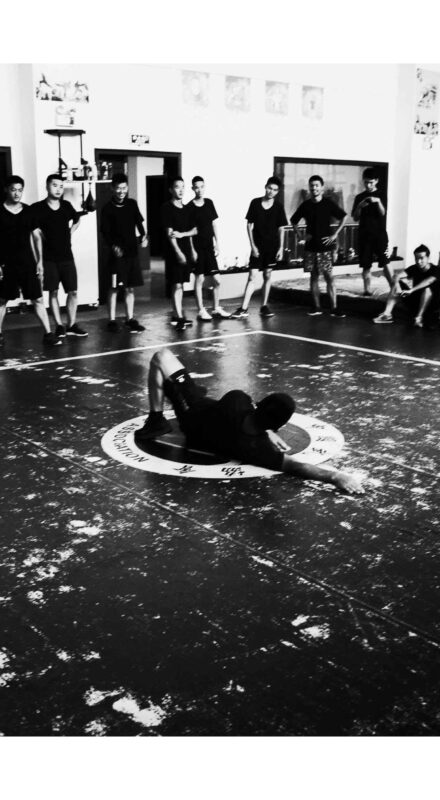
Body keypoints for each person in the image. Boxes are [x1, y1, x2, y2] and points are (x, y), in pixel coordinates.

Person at [134, 348, 365, 494]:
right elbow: (297, 467)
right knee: (171, 381)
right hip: (200, 432)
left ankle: (156, 420)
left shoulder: (238, 400)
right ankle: (167, 406)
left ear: (259, 405)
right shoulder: (257, 449)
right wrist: (335, 476)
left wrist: (268, 429)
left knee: (161, 357)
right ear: (276, 426)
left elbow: (250, 410)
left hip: (192, 412)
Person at [0, 175, 61, 347]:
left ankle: (48, 334)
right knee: (2, 300)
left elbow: (36, 237)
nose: (17, 193)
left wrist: (39, 261)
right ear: (6, 190)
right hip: (6, 263)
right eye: (13, 190)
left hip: (27, 262)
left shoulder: (28, 211)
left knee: (38, 299)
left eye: (20, 190)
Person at [31, 174, 87, 338]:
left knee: (73, 292)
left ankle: (72, 324)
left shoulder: (66, 206)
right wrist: (39, 260)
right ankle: (59, 325)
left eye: (61, 186)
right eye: (55, 185)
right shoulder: (37, 208)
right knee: (53, 292)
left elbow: (77, 219)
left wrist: (70, 231)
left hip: (67, 256)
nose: (58, 189)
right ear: (47, 186)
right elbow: (34, 232)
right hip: (49, 258)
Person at [231, 176, 287, 319]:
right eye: (269, 188)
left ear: (277, 192)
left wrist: (281, 248)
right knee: (252, 276)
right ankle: (243, 308)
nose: (271, 191)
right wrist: (253, 246)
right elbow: (249, 226)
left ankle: (264, 306)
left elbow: (281, 228)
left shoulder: (279, 207)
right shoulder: (255, 203)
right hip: (257, 247)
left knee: (267, 275)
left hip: (272, 247)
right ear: (265, 187)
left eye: (275, 190)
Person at [290, 175, 346, 317]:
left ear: (322, 187)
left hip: (326, 247)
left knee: (329, 277)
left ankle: (334, 308)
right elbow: (293, 220)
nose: (314, 188)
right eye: (312, 185)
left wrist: (335, 235)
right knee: (313, 277)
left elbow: (344, 217)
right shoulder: (306, 205)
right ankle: (316, 307)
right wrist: (300, 235)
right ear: (309, 188)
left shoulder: (328, 203)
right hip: (311, 247)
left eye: (316, 185)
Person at [100, 173, 147, 333]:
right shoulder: (107, 208)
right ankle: (112, 320)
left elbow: (139, 223)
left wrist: (144, 236)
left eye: (124, 188)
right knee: (113, 288)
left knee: (130, 288)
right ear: (113, 188)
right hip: (116, 255)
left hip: (132, 253)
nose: (121, 191)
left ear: (127, 188)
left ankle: (130, 319)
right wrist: (113, 246)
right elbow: (105, 232)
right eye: (118, 188)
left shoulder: (132, 204)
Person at [188, 176, 230, 321]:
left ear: (204, 187)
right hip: (198, 248)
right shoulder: (190, 207)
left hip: (209, 247)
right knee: (199, 279)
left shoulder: (209, 203)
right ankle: (201, 310)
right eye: (196, 187)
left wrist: (217, 243)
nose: (199, 190)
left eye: (202, 186)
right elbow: (189, 231)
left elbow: (213, 224)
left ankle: (216, 308)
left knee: (217, 280)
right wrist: (192, 250)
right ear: (193, 188)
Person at [161, 177, 197, 331]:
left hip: (186, 249)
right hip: (174, 251)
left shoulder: (187, 209)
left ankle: (177, 314)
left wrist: (192, 249)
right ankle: (179, 316)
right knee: (176, 284)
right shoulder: (166, 208)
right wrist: (178, 252)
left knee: (181, 284)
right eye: (177, 187)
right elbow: (169, 233)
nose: (181, 190)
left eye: (183, 187)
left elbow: (194, 231)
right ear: (171, 190)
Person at [373, 244, 440, 327]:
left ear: (428, 258)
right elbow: (396, 276)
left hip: (431, 304)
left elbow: (428, 281)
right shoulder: (414, 268)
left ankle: (418, 317)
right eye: (416, 258)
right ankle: (387, 314)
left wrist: (411, 290)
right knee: (396, 281)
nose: (418, 261)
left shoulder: (436, 269)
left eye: (421, 258)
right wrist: (397, 286)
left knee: (427, 289)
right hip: (415, 301)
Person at [352, 167, 392, 295]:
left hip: (379, 234)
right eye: (366, 182)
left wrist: (378, 201)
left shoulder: (382, 195)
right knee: (366, 265)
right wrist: (360, 206)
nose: (368, 185)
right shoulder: (359, 197)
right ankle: (367, 291)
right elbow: (355, 217)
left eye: (371, 182)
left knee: (385, 262)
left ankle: (394, 288)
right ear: (363, 181)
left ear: (376, 181)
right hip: (364, 235)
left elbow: (383, 213)